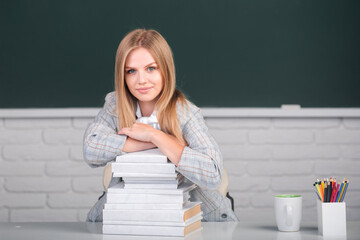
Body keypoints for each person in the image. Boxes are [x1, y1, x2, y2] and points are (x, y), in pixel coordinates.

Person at [83, 28, 239, 222]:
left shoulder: (185, 112)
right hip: (130, 215)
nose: (141, 80)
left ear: (165, 69)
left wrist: (156, 135)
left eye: (151, 68)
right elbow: (91, 149)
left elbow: (212, 173)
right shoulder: (115, 105)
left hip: (193, 217)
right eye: (131, 71)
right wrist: (151, 141)